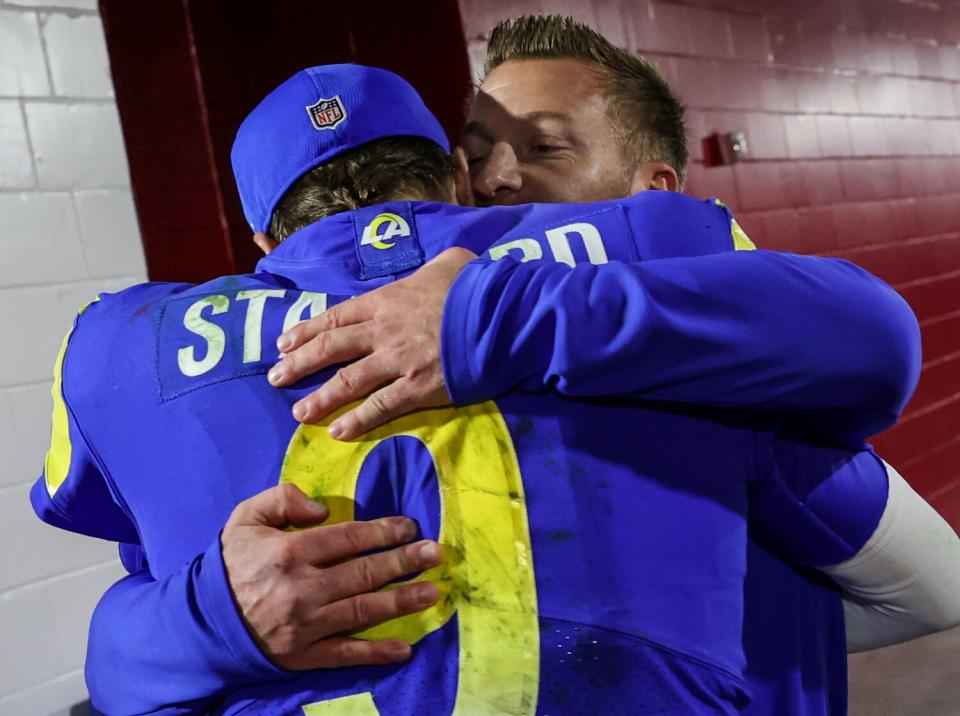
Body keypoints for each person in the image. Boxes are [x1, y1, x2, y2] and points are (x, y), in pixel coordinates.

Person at [30, 63, 959, 714]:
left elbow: (116, 658)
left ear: (266, 244)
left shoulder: (117, 342)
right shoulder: (653, 248)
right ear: (456, 183)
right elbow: (929, 570)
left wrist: (206, 620)